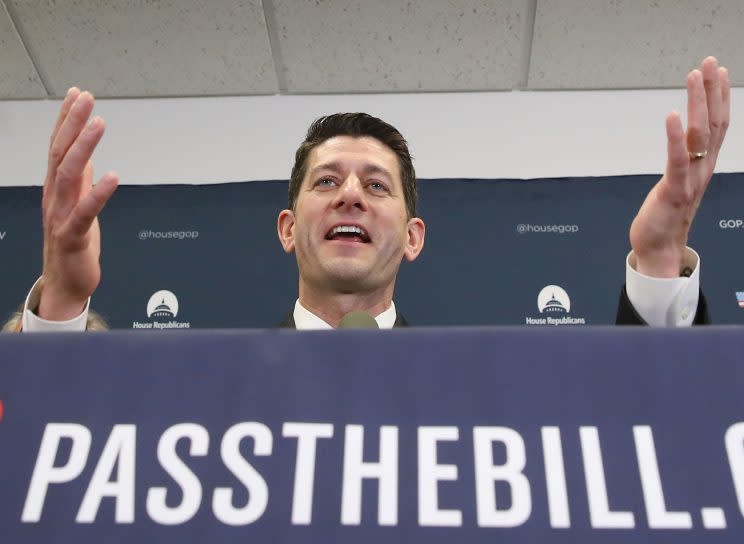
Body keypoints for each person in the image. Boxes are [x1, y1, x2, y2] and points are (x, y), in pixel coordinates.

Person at [13, 56, 729, 331]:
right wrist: (64, 305)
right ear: (288, 228)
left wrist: (662, 260)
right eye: (327, 182)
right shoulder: (204, 382)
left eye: (376, 185)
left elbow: (649, 423)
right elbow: (64, 451)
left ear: (412, 237)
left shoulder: (488, 388)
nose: (350, 194)